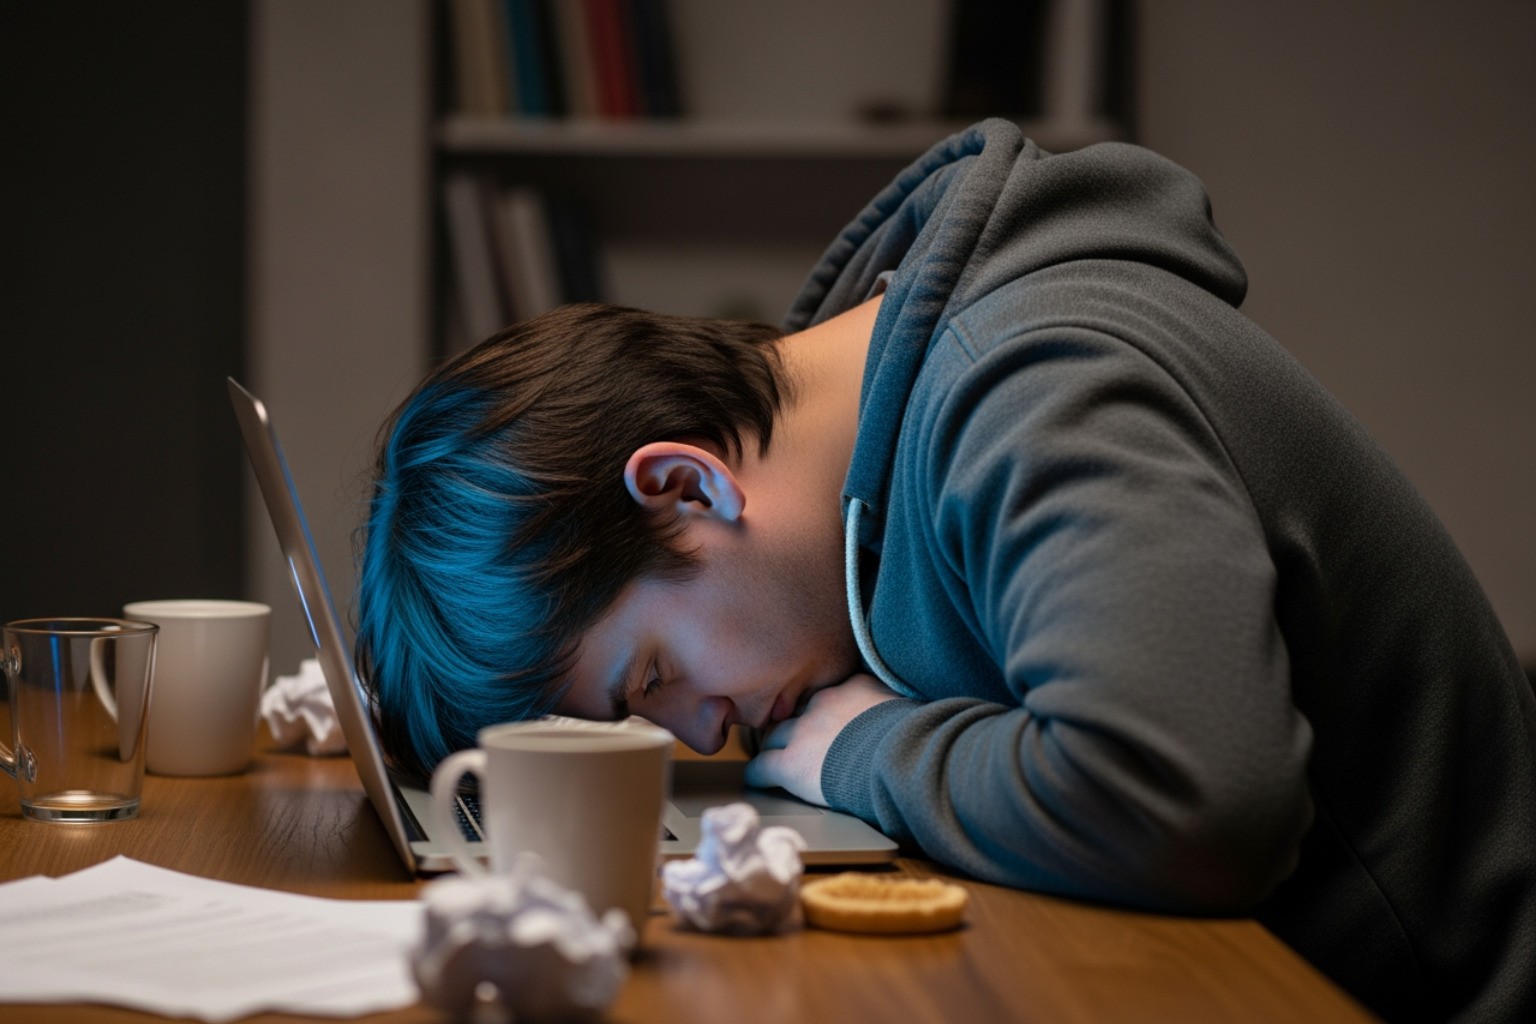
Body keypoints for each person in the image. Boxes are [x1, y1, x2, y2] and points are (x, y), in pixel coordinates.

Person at [355, 120, 1535, 1023]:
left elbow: (1183, 801)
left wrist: (859, 749)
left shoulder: (1035, 389)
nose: (703, 735)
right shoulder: (880, 456)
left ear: (686, 487)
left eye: (649, 678)